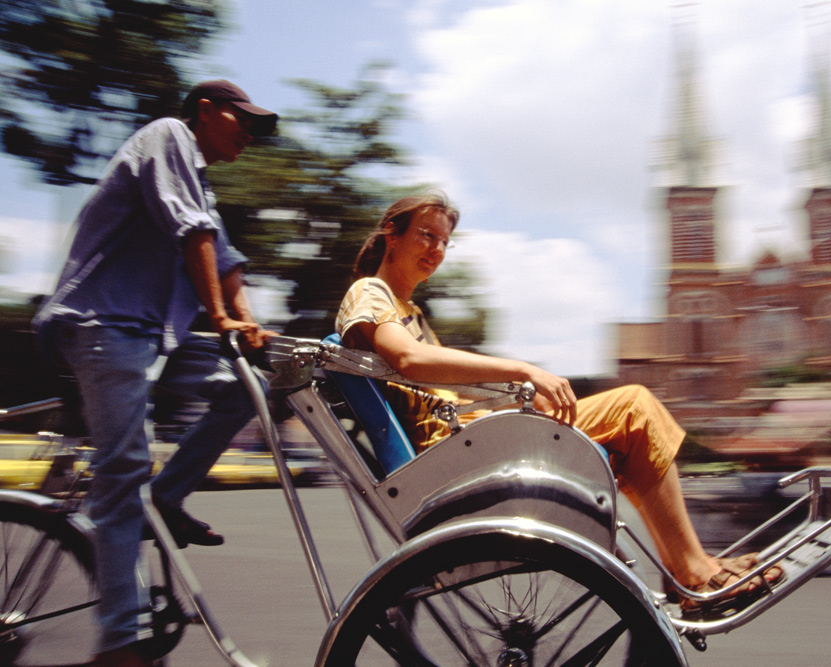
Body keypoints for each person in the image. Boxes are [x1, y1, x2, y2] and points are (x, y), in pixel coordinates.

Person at [335, 191, 782, 614]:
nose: (437, 250)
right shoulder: (370, 292)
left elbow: (440, 380)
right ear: (391, 234)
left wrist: (518, 393)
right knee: (634, 408)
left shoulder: (409, 310)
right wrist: (522, 371)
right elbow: (409, 359)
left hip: (468, 438)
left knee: (628, 427)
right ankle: (693, 572)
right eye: (426, 235)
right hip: (453, 452)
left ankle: (686, 567)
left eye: (444, 242)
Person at [32, 80, 278, 667]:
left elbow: (224, 257)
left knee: (252, 389)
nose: (248, 133)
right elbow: (192, 230)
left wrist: (249, 324)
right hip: (103, 324)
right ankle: (120, 643)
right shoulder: (168, 137)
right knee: (123, 473)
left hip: (153, 335)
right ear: (205, 111)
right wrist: (221, 315)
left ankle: (164, 499)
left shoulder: (200, 180)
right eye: (241, 119)